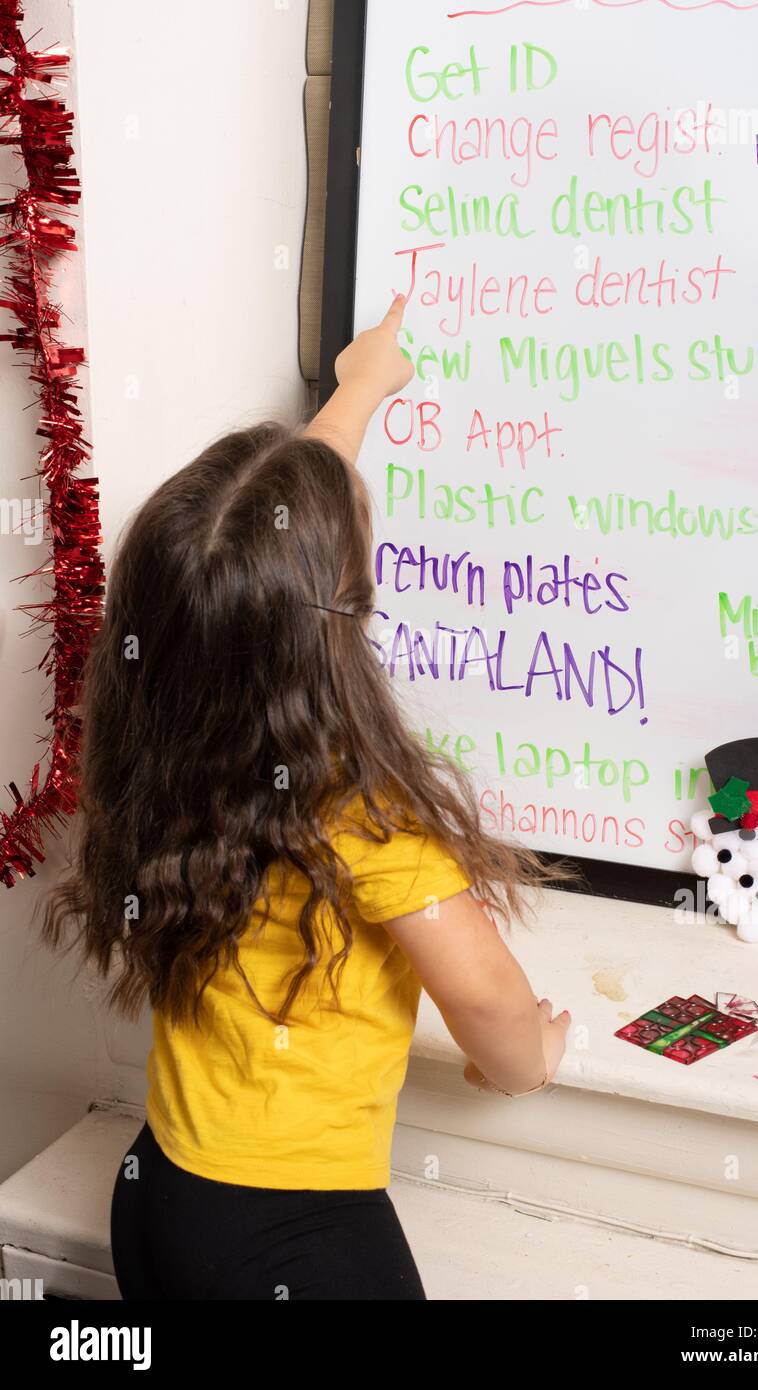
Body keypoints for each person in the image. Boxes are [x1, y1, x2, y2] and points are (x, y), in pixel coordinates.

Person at [41, 296, 571, 1301]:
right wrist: (527, 1060)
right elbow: (485, 994)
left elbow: (259, 539)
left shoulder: (159, 748)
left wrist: (359, 386)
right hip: (293, 1243)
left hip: (161, 1195)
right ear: (337, 619)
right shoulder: (363, 814)